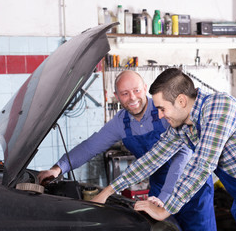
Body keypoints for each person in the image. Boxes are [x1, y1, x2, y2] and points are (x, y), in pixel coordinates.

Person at [93, 68, 236, 231]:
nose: (160, 115)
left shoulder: (220, 108)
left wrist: (166, 210)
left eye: (162, 108)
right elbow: (152, 158)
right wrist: (109, 191)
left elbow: (202, 164)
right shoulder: (183, 124)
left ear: (181, 101)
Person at [37, 70, 216, 231]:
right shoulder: (121, 123)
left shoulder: (165, 111)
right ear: (116, 96)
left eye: (137, 90)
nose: (132, 98)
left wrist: (165, 198)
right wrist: (58, 168)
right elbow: (91, 146)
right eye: (125, 93)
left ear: (145, 88)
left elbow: (182, 155)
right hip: (158, 185)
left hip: (193, 185)